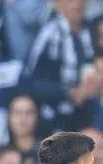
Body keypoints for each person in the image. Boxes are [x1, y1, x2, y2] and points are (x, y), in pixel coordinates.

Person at [22, 0, 97, 131]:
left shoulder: (92, 31)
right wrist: (67, 92)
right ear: (58, 4)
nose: (77, 4)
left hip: (88, 112)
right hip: (53, 117)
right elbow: (30, 81)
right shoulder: (49, 34)